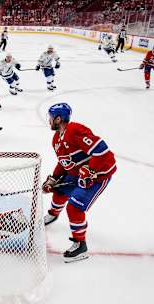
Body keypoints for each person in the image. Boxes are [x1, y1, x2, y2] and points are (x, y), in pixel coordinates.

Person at [42, 103, 116, 263]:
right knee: (59, 191)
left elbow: (102, 151)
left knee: (74, 208)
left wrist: (90, 170)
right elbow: (64, 162)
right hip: (79, 173)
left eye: (51, 117)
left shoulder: (75, 130)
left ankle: (80, 245)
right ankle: (53, 215)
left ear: (59, 118)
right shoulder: (56, 138)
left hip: (98, 176)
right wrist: (54, 178)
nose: (49, 120)